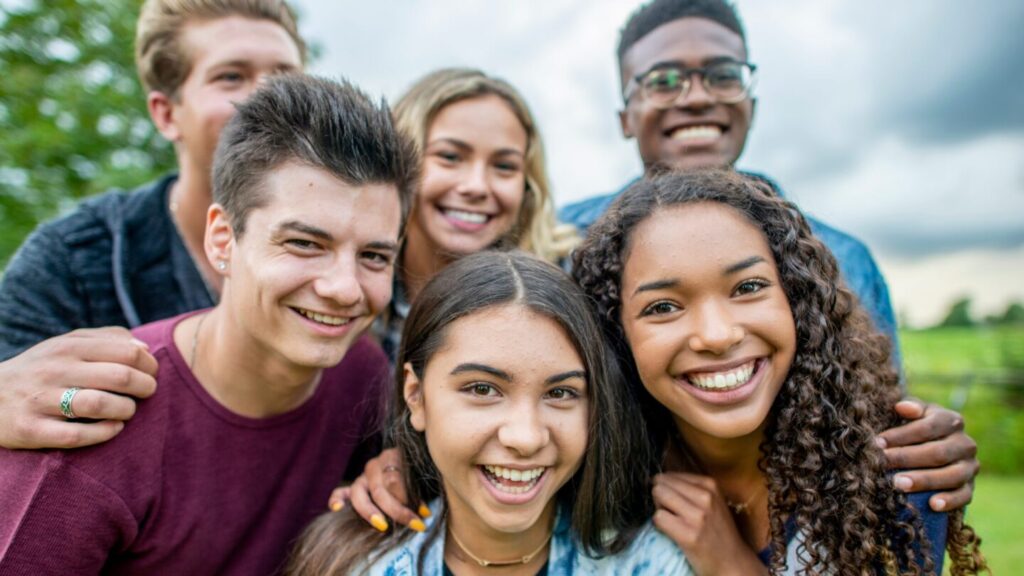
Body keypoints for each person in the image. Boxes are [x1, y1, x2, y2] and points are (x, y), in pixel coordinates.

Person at [557, 0, 978, 513]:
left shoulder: (841, 257)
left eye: (722, 74)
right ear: (625, 115)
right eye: (662, 81)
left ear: (751, 100)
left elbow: (866, 420)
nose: (695, 96)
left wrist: (922, 451)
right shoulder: (565, 244)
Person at [0, 74, 417, 574]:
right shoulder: (95, 424)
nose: (345, 288)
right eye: (305, 244)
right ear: (222, 239)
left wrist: (392, 472)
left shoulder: (361, 374)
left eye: (374, 256)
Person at [572, 168, 986, 574]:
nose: (717, 336)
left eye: (748, 287)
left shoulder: (891, 474)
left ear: (797, 300)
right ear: (615, 333)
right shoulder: (595, 474)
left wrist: (732, 564)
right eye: (663, 307)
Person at [0, 0, 306, 449]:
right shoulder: (76, 259)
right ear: (165, 113)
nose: (268, 99)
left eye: (285, 76)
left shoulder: (361, 253)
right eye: (231, 77)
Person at [287, 251, 693, 576]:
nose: (526, 437)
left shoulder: (653, 564)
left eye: (561, 392)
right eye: (482, 389)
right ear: (416, 396)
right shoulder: (348, 564)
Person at [375, 68, 579, 361]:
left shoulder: (574, 285)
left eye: (504, 166)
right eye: (449, 157)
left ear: (528, 184)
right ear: (399, 162)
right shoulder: (354, 287)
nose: (477, 186)